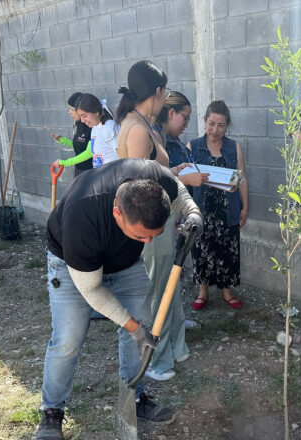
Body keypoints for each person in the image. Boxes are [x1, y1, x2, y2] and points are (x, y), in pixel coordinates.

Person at [36, 158, 203, 440]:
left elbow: (177, 188)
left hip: (124, 263)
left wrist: (192, 212)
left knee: (142, 322)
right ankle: (52, 411)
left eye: (154, 235)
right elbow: (92, 289)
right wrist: (134, 328)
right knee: (68, 339)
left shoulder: (153, 177)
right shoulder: (81, 216)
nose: (148, 242)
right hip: (72, 265)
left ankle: (134, 396)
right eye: (141, 235)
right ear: (117, 213)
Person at [115, 61, 208, 381]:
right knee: (158, 293)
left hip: (161, 219)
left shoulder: (140, 123)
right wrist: (182, 180)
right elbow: (142, 189)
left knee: (170, 284)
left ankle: (177, 347)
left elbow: (153, 174)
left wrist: (174, 173)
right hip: (151, 222)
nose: (166, 97)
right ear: (156, 92)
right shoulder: (139, 130)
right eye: (165, 91)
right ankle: (159, 360)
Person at [189, 100, 249, 310]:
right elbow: (185, 182)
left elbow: (242, 179)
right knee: (201, 250)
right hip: (202, 209)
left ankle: (227, 292)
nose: (215, 130)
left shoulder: (234, 148)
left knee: (228, 251)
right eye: (211, 123)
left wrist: (244, 208)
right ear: (204, 121)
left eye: (221, 125)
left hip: (228, 209)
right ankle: (202, 292)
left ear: (227, 125)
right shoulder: (193, 146)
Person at [54, 94, 118, 170]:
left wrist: (66, 162)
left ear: (96, 112)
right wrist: (63, 141)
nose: (82, 120)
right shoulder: (95, 128)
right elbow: (85, 148)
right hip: (100, 174)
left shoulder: (110, 127)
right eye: (80, 116)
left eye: (84, 116)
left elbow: (123, 156)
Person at [49, 92, 93, 178]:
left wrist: (66, 162)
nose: (70, 112)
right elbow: (79, 145)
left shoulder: (91, 126)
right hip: (79, 170)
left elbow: (89, 153)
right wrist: (63, 140)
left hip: (90, 171)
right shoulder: (79, 125)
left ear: (80, 110)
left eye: (72, 109)